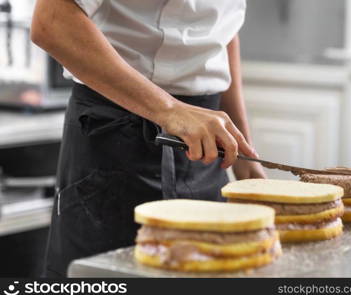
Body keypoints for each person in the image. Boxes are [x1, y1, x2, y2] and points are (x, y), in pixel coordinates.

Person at [31, 0, 266, 277]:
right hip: (114, 139)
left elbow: (222, 34)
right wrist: (169, 109)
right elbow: (51, 21)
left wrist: (244, 157)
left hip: (206, 145)